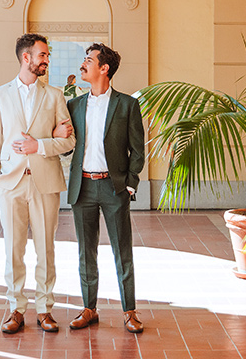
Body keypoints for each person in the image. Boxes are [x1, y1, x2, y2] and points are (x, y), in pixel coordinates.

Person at [0, 33, 75, 334]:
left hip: (45, 183)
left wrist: (40, 145)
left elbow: (69, 140)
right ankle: (15, 309)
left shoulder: (54, 96)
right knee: (13, 249)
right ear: (26, 58)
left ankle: (44, 309)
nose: (46, 60)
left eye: (46, 55)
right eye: (42, 55)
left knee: (46, 248)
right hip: (10, 184)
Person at [55, 43, 146, 333]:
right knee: (86, 251)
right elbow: (68, 147)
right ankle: (89, 308)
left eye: (88, 60)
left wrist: (129, 185)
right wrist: (57, 135)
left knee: (123, 251)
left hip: (114, 188)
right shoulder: (75, 105)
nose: (83, 65)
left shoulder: (127, 105)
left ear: (104, 68)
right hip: (82, 188)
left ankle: (129, 311)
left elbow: (138, 150)